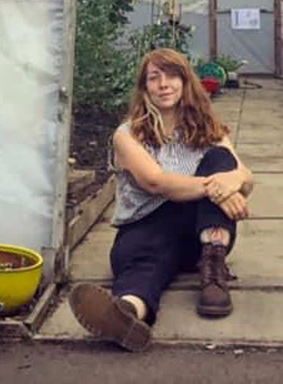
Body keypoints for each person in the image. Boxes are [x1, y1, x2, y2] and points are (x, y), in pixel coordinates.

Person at [69, 48, 255, 352]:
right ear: (145, 88)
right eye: (154, 78)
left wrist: (233, 180)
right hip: (144, 230)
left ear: (185, 82)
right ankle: (127, 314)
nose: (164, 84)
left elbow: (245, 176)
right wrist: (218, 187)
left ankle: (213, 276)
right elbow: (155, 182)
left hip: (199, 235)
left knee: (220, 158)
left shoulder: (207, 128)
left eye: (171, 76)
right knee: (147, 268)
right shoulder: (127, 134)